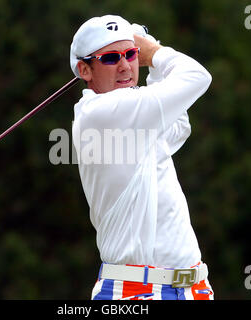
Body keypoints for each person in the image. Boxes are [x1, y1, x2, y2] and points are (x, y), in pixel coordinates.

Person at [70, 15, 214, 300]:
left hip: (193, 288)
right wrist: (154, 52)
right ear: (84, 69)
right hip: (136, 292)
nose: (125, 66)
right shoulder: (100, 113)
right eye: (110, 58)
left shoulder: (133, 116)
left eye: (130, 54)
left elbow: (178, 127)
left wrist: (152, 57)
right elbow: (198, 77)